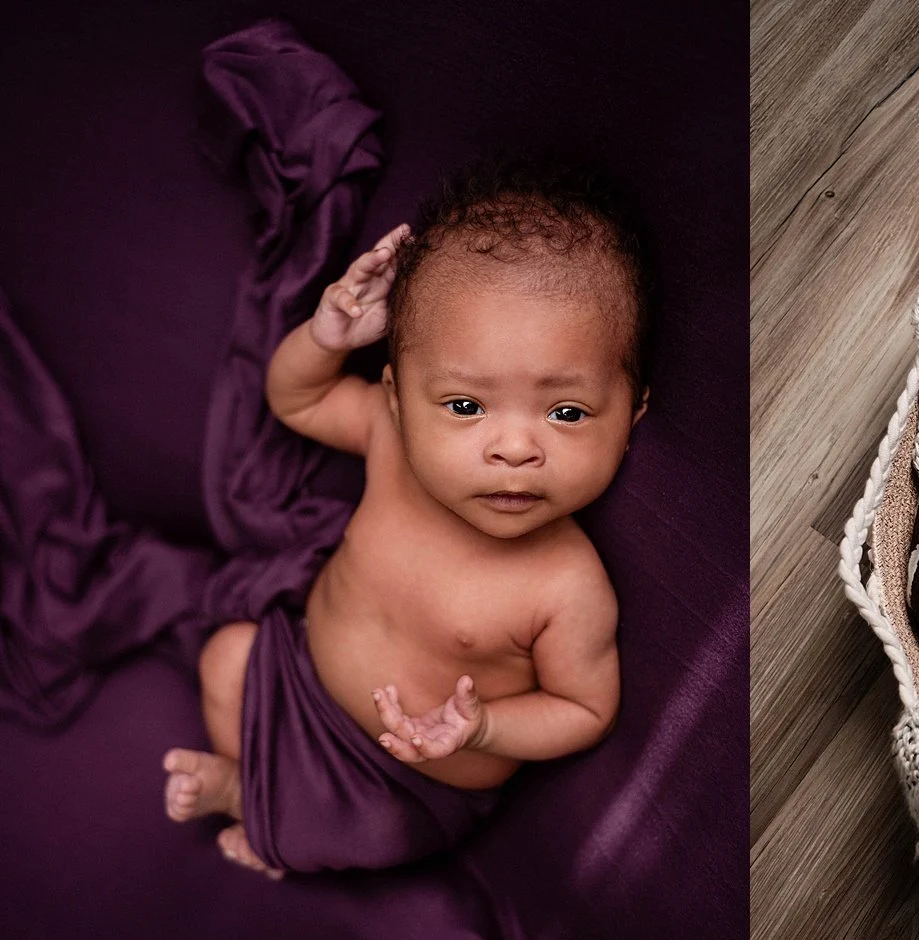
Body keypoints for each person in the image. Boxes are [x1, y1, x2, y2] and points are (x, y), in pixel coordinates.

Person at [162, 158, 650, 878]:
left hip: (408, 776)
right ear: (394, 396)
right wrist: (327, 339)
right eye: (465, 406)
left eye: (567, 412)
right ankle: (246, 781)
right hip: (299, 679)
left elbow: (584, 710)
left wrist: (482, 728)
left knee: (383, 837)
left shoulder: (565, 584)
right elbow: (293, 401)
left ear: (633, 417)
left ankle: (270, 827)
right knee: (226, 656)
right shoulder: (389, 439)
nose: (514, 449)